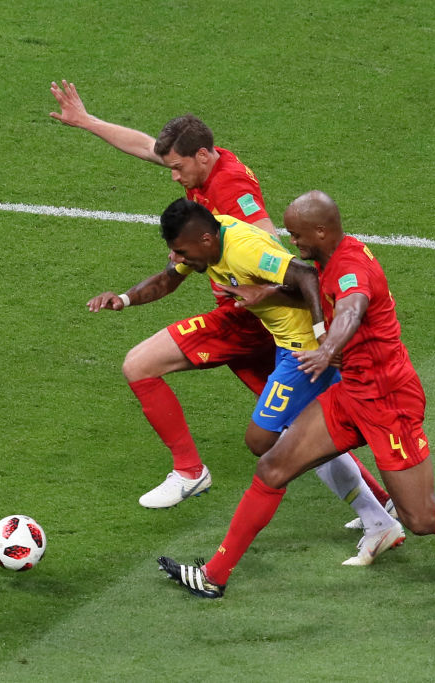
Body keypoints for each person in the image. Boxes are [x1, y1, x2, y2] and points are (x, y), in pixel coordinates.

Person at [158, 191, 435, 598]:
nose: (291, 241)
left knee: (422, 518)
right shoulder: (330, 256)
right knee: (272, 467)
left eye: (296, 234)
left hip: (388, 402)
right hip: (351, 394)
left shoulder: (349, 269)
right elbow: (316, 294)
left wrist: (326, 349)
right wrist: (268, 292)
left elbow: (351, 309)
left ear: (321, 232)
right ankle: (214, 576)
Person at [51, 80, 393, 517]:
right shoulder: (205, 169)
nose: (172, 175)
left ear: (203, 156)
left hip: (246, 319)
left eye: (177, 167)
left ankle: (189, 472)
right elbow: (146, 148)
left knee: (140, 365)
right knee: (298, 426)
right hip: (263, 321)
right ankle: (380, 509)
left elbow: (276, 252)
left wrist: (265, 295)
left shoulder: (231, 190)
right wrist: (86, 121)